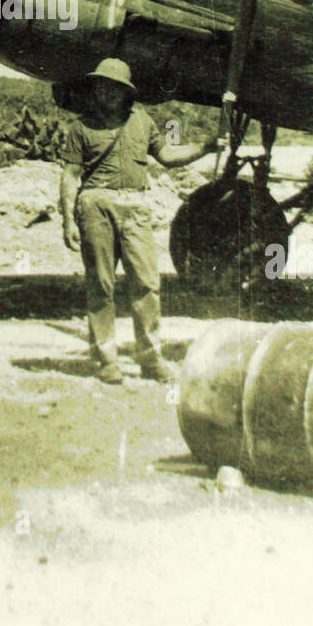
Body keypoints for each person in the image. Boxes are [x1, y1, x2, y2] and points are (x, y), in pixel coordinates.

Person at [60, 58, 216, 384]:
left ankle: (150, 359)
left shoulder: (143, 122)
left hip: (136, 206)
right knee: (100, 285)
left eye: (115, 87)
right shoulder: (80, 128)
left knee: (146, 284)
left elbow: (169, 157)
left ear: (125, 91)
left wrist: (205, 147)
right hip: (95, 205)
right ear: (95, 89)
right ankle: (106, 361)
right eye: (102, 86)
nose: (108, 93)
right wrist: (68, 221)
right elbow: (71, 176)